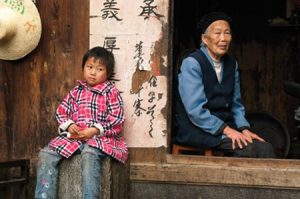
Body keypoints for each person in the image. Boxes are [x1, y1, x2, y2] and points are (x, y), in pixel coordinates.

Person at [174, 11, 275, 158]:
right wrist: (227, 130)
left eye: (227, 33)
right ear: (205, 39)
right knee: (249, 150)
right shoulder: (193, 63)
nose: (223, 38)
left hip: (224, 127)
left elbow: (236, 104)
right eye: (217, 33)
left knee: (266, 148)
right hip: (197, 129)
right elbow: (195, 110)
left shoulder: (231, 64)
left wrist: (244, 128)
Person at [35, 47, 127, 198]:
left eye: (99, 69)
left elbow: (117, 119)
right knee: (46, 154)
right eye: (89, 67)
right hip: (76, 138)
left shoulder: (111, 92)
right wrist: (69, 125)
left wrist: (95, 130)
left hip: (100, 139)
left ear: (108, 73)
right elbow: (61, 111)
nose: (93, 72)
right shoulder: (76, 91)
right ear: (83, 67)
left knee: (89, 154)